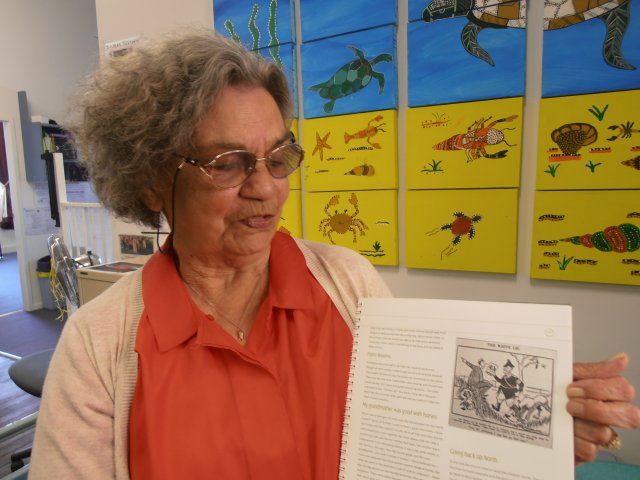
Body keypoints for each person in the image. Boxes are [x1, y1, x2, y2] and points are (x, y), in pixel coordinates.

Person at [30, 28, 639, 478]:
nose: (264, 187)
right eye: (228, 163)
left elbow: (434, 434)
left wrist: (540, 420)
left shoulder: (348, 285)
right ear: (153, 179)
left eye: (277, 158)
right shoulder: (100, 344)